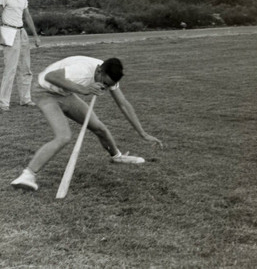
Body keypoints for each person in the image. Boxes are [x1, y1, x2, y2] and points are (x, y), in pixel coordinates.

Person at [11, 56, 163, 191]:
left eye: (108, 86)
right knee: (63, 136)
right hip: (44, 92)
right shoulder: (82, 70)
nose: (105, 87)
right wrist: (83, 89)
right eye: (104, 83)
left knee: (99, 128)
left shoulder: (109, 78)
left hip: (65, 93)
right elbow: (51, 76)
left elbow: (123, 104)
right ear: (99, 71)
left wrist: (142, 133)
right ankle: (27, 175)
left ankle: (117, 156)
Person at [0, 0, 40, 112]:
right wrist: (0, 35)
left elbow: (27, 16)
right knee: (10, 69)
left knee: (25, 68)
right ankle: (3, 103)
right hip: (9, 32)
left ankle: (25, 99)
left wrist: (35, 35)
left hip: (22, 32)